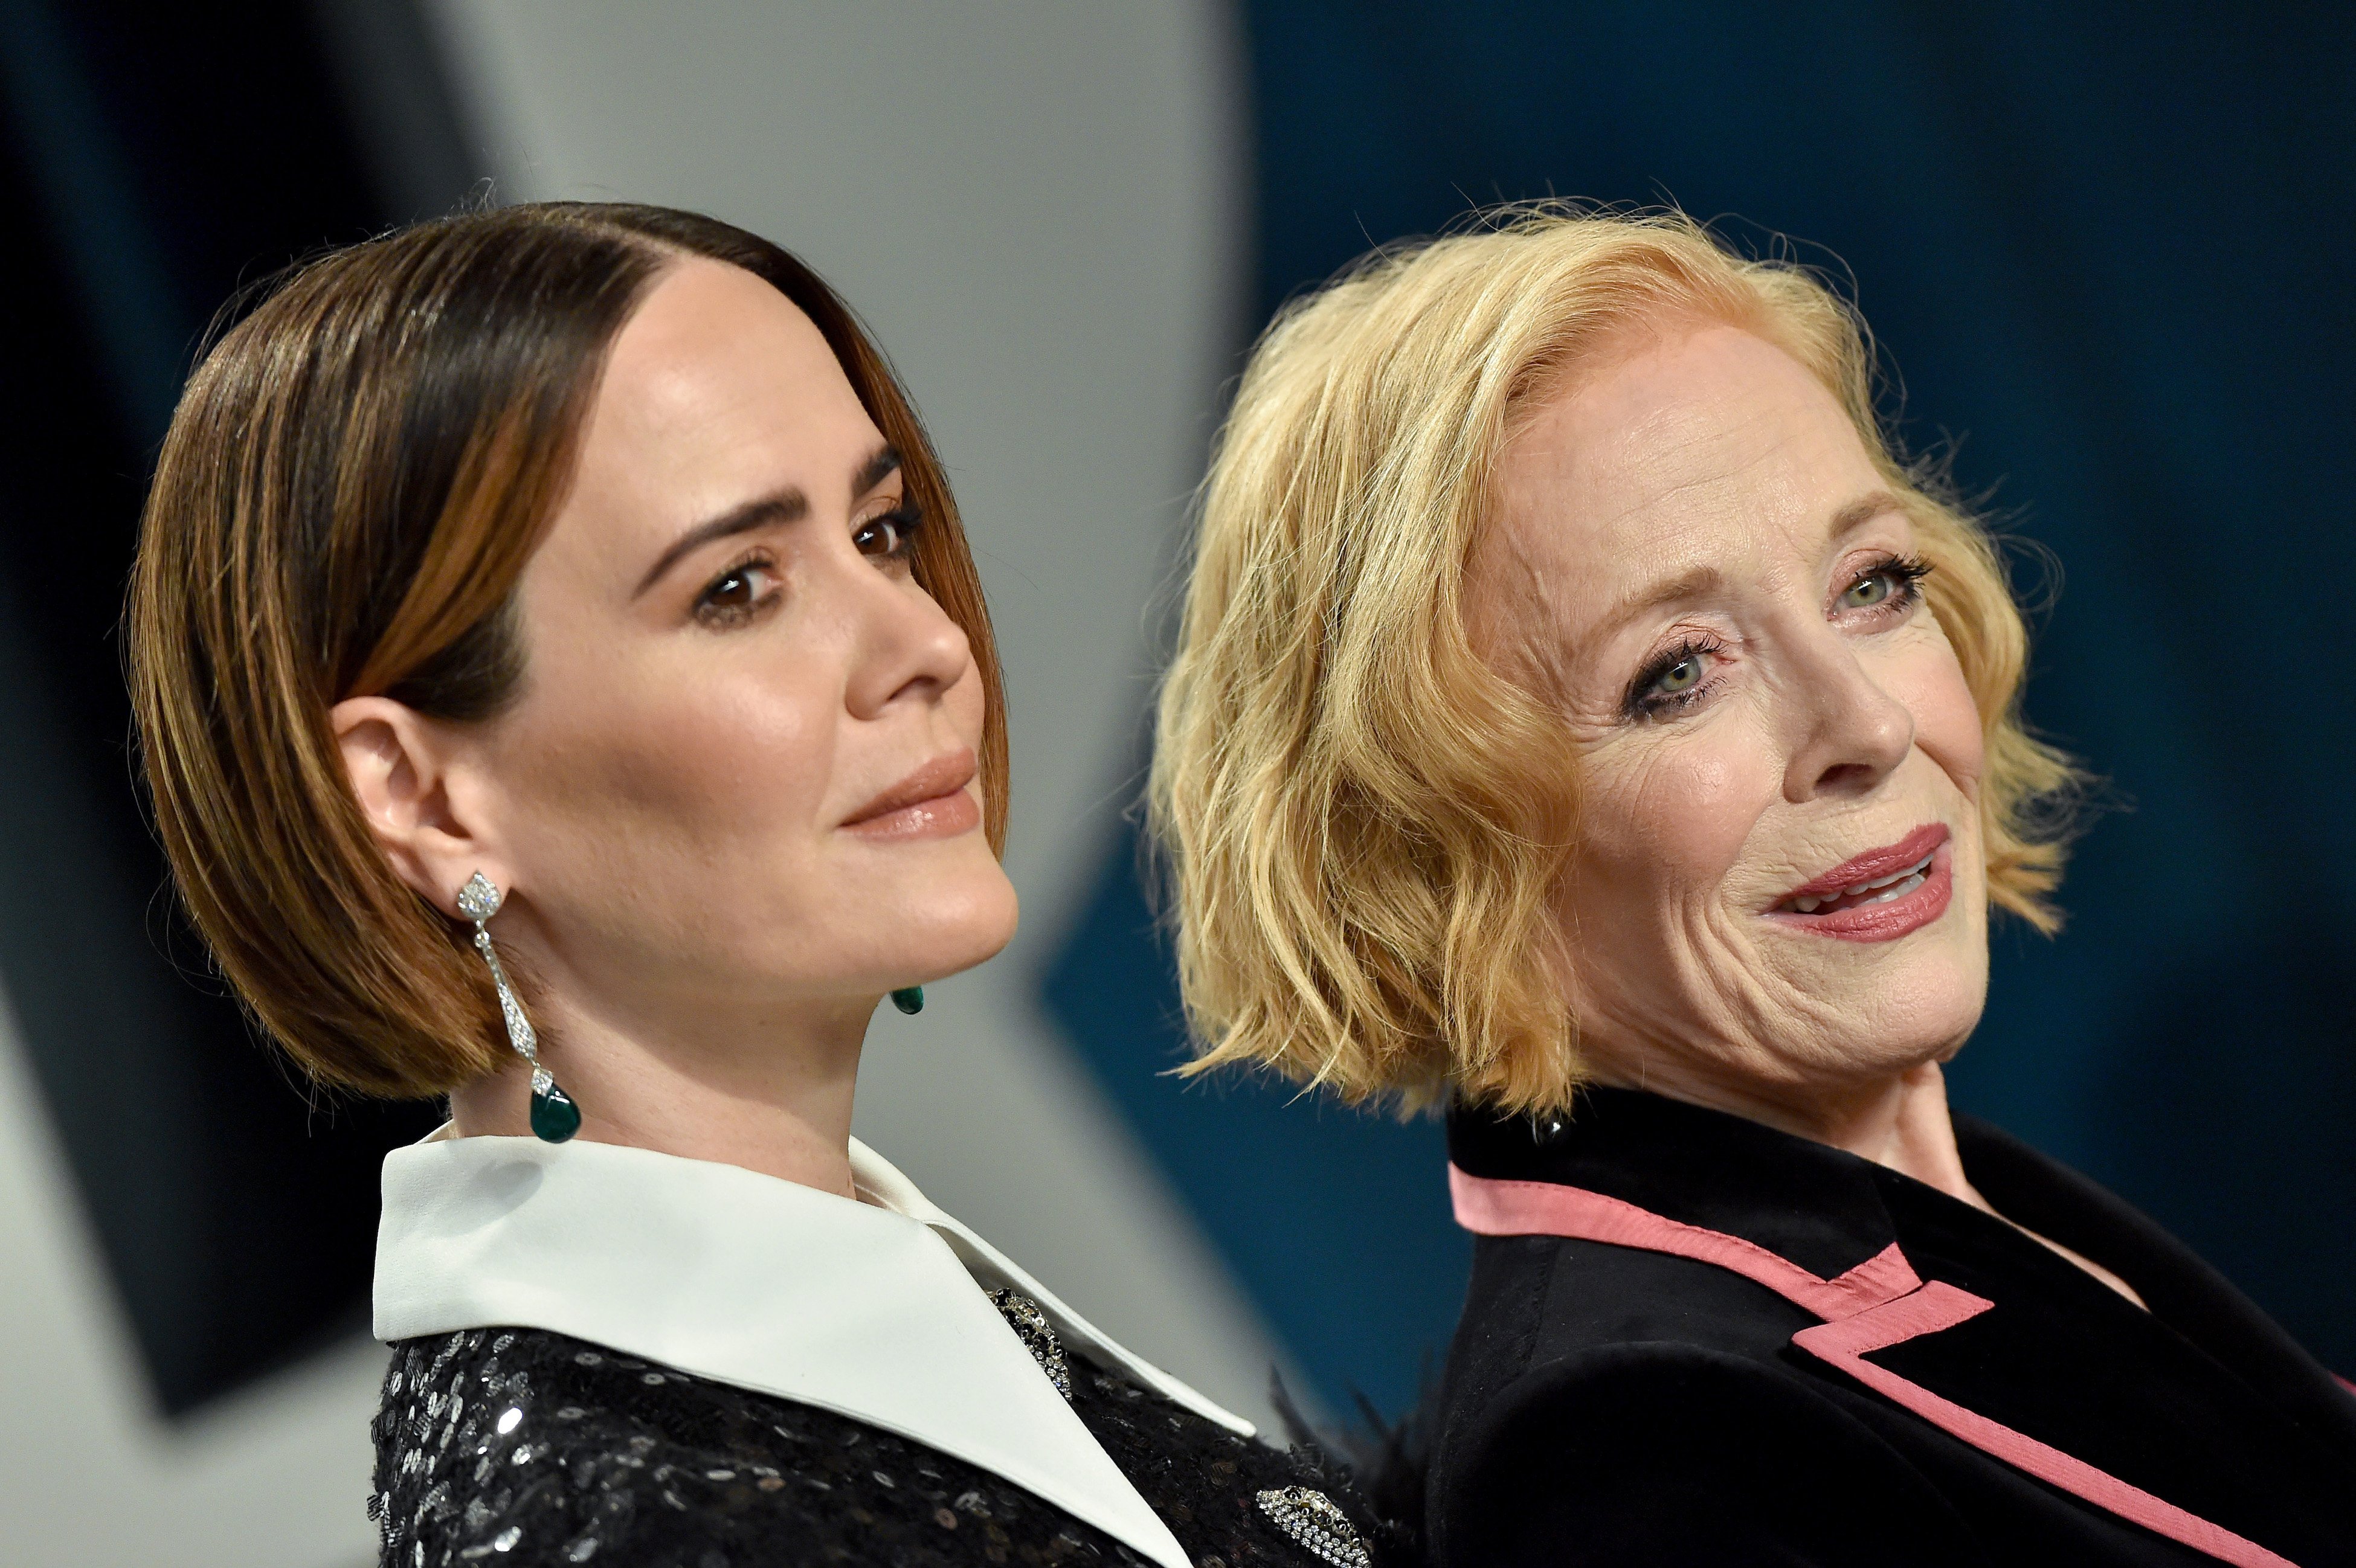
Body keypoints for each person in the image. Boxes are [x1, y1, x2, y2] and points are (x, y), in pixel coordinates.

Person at [128, 201, 1384, 1568]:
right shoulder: (627, 1525)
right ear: (423, 799)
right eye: (737, 587)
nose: (923, 642)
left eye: (883, 530)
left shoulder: (802, 1331)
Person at [1151, 206, 2354, 1566]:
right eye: (1677, 672)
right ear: (1426, 850)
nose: (1869, 723)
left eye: (1872, 584)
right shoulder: (1640, 1455)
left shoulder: (1970, 1221)